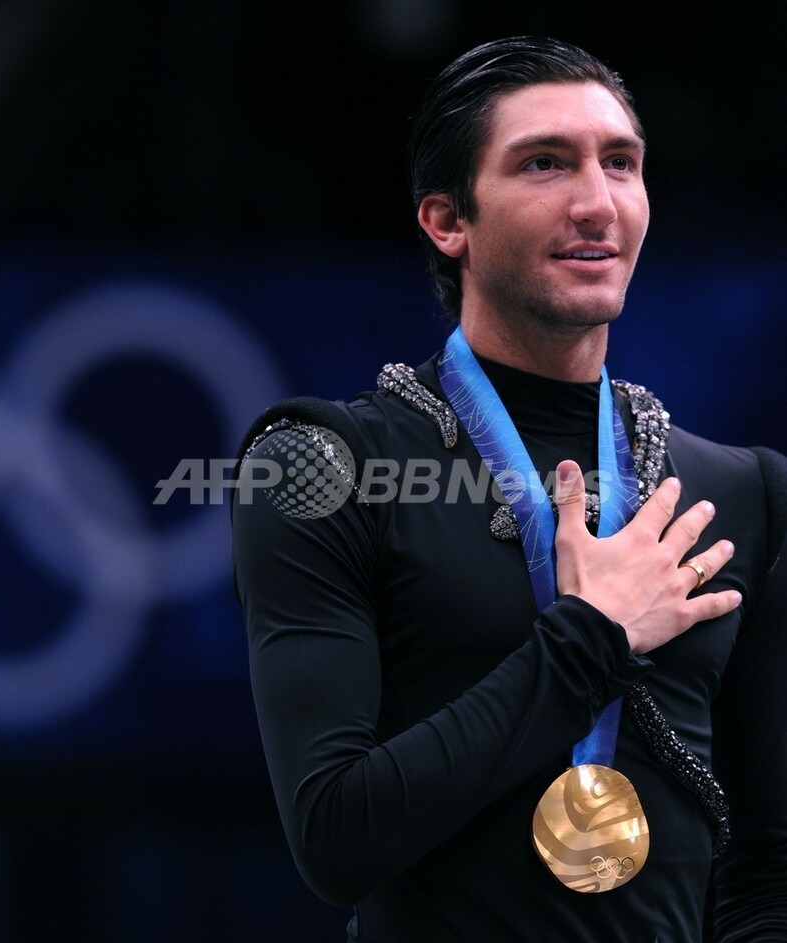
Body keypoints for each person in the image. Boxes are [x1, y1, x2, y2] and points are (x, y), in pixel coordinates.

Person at [231, 36, 787, 942]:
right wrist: (591, 637)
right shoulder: (321, 464)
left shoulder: (745, 493)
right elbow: (335, 835)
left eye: (622, 163)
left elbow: (770, 867)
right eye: (544, 164)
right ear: (449, 221)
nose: (597, 202)